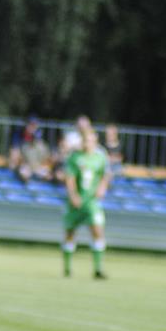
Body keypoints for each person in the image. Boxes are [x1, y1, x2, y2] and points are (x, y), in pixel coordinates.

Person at [61, 119, 110, 279]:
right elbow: (69, 178)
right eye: (85, 140)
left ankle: (98, 269)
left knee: (97, 231)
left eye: (90, 140)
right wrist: (73, 195)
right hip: (76, 202)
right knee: (70, 233)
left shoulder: (100, 157)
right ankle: (67, 268)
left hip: (91, 202)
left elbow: (106, 174)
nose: (87, 143)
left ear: (95, 141)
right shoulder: (75, 157)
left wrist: (102, 188)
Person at [7, 115, 46, 183]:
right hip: (23, 164)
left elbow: (43, 155)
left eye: (34, 125)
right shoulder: (18, 134)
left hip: (35, 165)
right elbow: (14, 153)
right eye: (30, 124)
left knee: (47, 175)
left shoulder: (38, 137)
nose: (32, 127)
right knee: (24, 172)